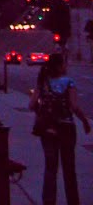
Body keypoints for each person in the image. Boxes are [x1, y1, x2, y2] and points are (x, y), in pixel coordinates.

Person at [29, 53, 90, 205]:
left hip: (48, 129)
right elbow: (74, 106)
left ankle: (49, 201)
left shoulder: (43, 81)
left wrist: (43, 113)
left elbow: (31, 105)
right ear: (60, 66)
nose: (66, 66)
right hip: (66, 128)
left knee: (50, 168)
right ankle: (73, 200)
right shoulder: (69, 82)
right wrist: (84, 121)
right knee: (69, 168)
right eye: (64, 64)